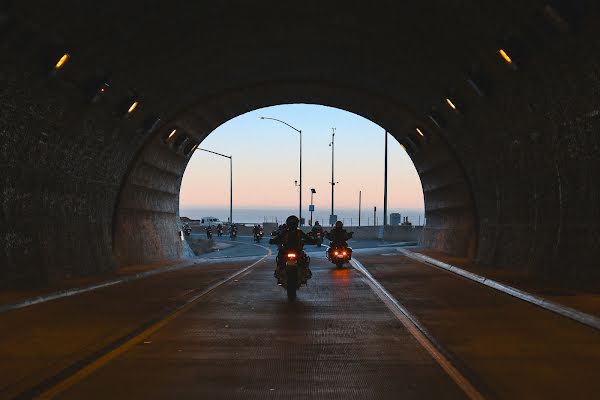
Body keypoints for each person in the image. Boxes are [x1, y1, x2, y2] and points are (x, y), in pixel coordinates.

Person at [269, 215, 318, 282]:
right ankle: (279, 274)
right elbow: (278, 238)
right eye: (291, 223)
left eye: (293, 223)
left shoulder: (295, 232)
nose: (292, 225)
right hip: (289, 252)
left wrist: (313, 241)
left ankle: (304, 274)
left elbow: (307, 238)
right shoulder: (287, 232)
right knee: (280, 260)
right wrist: (273, 241)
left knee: (304, 260)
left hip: (295, 252)